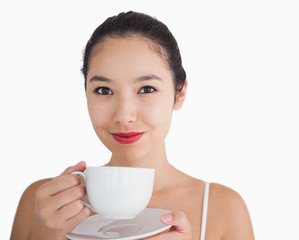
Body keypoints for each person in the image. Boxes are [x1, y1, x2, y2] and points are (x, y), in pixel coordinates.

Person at [10, 11, 254, 240]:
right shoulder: (41, 203)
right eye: (104, 90)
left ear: (179, 94)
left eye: (147, 89)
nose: (124, 116)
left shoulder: (223, 209)